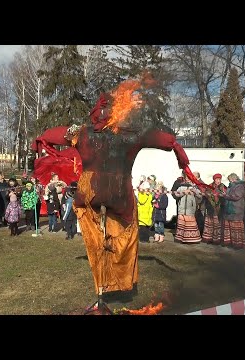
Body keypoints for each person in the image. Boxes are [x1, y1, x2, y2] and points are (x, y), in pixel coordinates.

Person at [33, 79, 207, 299]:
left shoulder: (81, 132)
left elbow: (53, 134)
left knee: (94, 239)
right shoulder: (131, 133)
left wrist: (40, 139)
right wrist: (176, 148)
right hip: (119, 193)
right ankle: (118, 280)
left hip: (89, 192)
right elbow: (164, 140)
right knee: (125, 236)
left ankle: (101, 284)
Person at [174, 174, 202, 244]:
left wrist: (195, 191)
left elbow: (200, 196)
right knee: (181, 224)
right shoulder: (181, 186)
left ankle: (191, 240)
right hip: (182, 208)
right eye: (187, 178)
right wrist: (183, 192)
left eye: (189, 178)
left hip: (190, 209)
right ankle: (180, 239)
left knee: (190, 224)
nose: (188, 179)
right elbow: (176, 194)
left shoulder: (194, 186)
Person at [220, 173, 245, 249]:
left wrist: (225, 196)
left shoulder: (240, 186)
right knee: (229, 228)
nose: (229, 181)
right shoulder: (231, 186)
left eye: (230, 180)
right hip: (229, 210)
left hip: (236, 209)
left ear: (233, 179)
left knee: (236, 228)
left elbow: (237, 197)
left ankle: (237, 243)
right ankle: (229, 242)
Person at [202, 173, 226, 244]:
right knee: (210, 224)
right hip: (210, 207)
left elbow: (226, 194)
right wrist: (209, 195)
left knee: (217, 224)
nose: (218, 181)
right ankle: (209, 238)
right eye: (217, 179)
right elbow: (206, 193)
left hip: (219, 208)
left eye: (219, 179)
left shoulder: (223, 186)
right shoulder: (210, 186)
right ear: (214, 180)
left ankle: (217, 239)